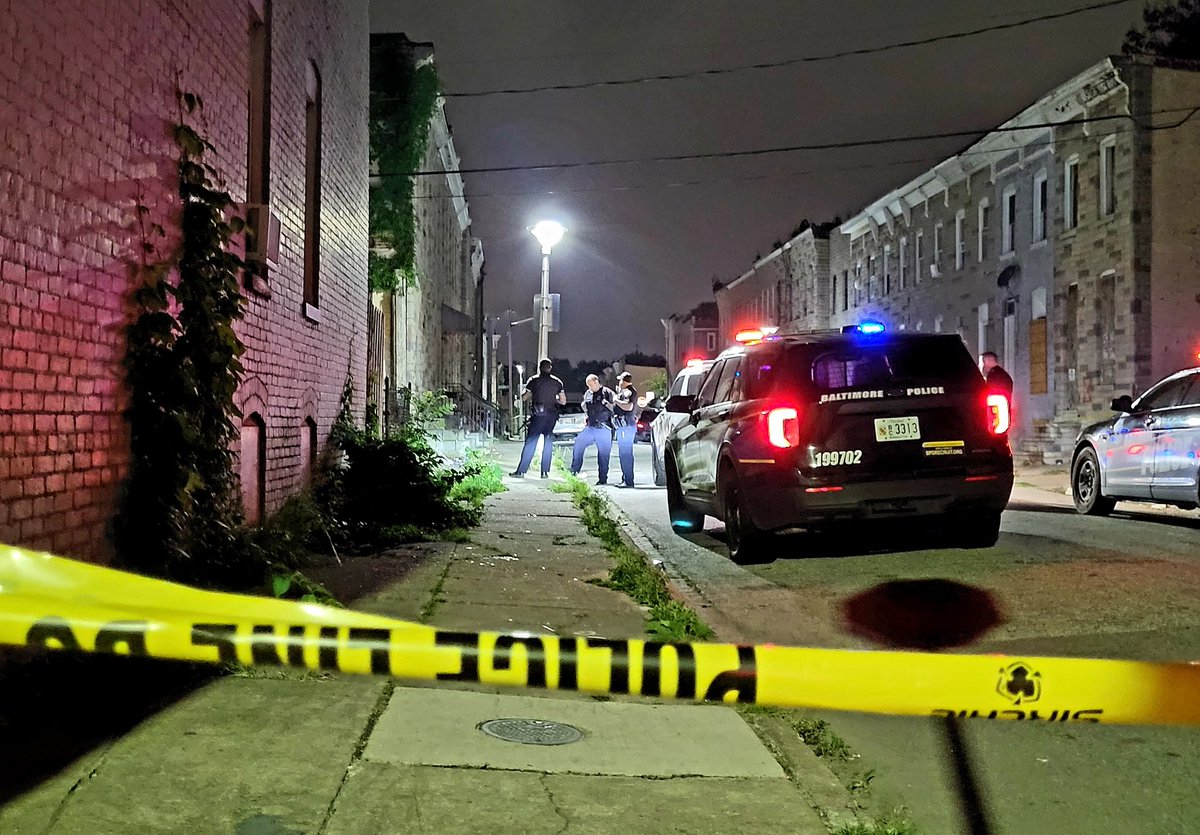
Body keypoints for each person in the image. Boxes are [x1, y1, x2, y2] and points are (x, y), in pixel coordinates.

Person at [510, 358, 566, 479]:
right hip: (551, 416)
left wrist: (534, 396)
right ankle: (545, 472)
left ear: (539, 368)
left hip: (538, 415)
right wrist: (552, 399)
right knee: (548, 443)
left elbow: (524, 397)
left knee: (531, 442)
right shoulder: (557, 382)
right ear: (550, 368)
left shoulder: (533, 381)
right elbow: (563, 401)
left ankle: (521, 471)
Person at [570, 374, 616, 485]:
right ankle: (574, 472)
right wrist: (586, 414)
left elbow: (615, 408)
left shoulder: (608, 393)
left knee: (603, 455)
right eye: (588, 385)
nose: (589, 387)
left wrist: (607, 404)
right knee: (578, 444)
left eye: (590, 384)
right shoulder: (588, 393)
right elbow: (586, 406)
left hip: (604, 427)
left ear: (596, 382)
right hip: (591, 427)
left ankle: (602, 479)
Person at [612, 371, 639, 488]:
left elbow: (629, 407)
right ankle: (626, 478)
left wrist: (616, 400)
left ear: (623, 381)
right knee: (624, 453)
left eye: (620, 380)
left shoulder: (629, 391)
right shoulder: (625, 391)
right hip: (623, 426)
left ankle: (628, 480)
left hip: (626, 426)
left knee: (626, 453)